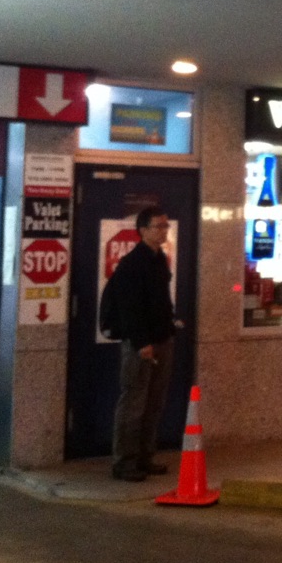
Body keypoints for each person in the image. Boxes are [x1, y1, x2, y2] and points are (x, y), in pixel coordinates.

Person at [110, 206, 177, 481]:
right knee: (134, 403)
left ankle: (146, 456)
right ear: (143, 230)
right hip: (141, 344)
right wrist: (141, 342)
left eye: (166, 226)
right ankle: (125, 462)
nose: (164, 231)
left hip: (162, 339)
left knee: (154, 403)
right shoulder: (132, 264)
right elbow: (130, 308)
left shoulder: (160, 259)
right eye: (159, 226)